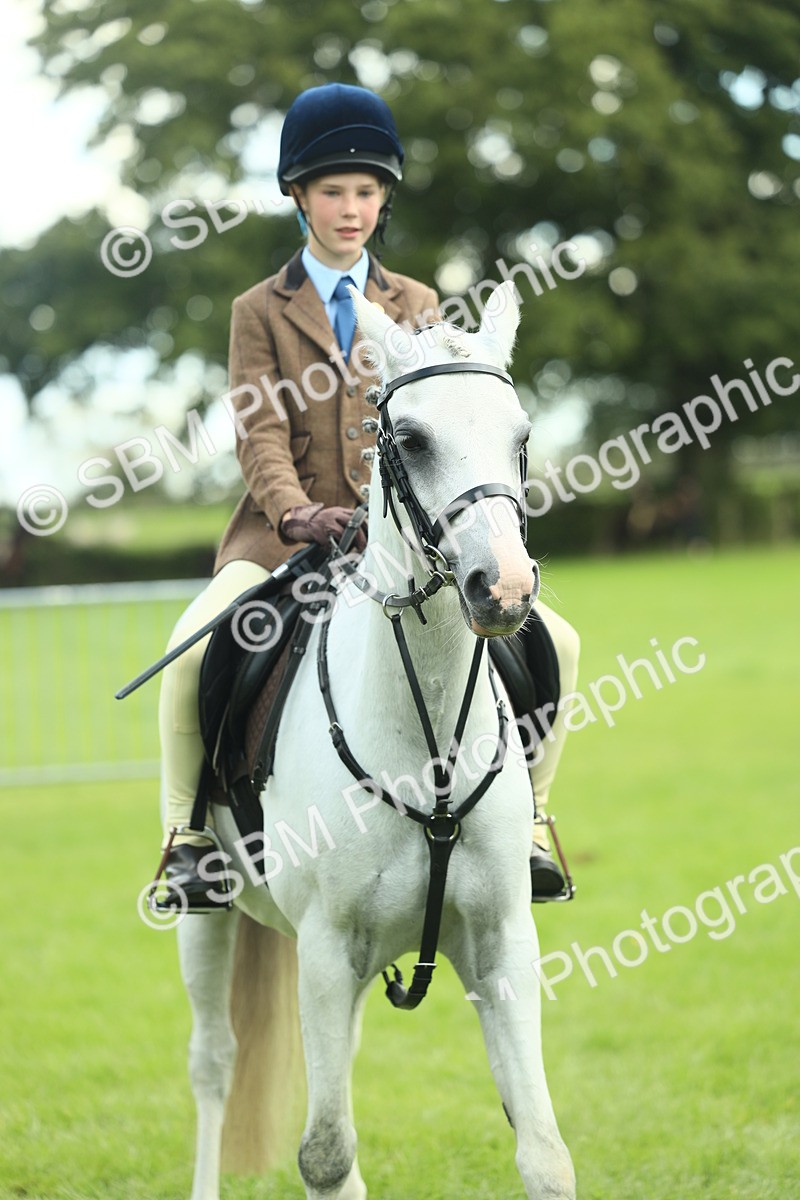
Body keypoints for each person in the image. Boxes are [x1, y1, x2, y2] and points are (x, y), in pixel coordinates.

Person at [156, 82, 579, 906]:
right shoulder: (258, 311)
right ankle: (191, 836)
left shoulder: (416, 303)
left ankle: (530, 821)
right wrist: (294, 510)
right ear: (298, 197)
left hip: (407, 543)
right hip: (285, 539)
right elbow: (258, 430)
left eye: (365, 192)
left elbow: (445, 423)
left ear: (383, 198)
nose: (350, 208)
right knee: (194, 650)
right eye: (332, 192)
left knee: (555, 641)